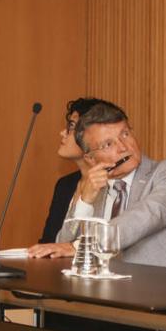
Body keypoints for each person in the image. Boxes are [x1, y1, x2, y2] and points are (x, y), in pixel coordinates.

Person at [30, 100, 166, 269]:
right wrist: (84, 201)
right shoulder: (98, 189)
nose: (123, 147)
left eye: (125, 134)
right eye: (108, 144)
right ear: (90, 158)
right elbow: (61, 247)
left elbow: (145, 216)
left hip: (162, 289)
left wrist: (80, 245)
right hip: (104, 291)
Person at [34, 98, 118, 245]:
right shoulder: (65, 184)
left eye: (71, 126)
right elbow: (49, 243)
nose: (62, 133)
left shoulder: (114, 183)